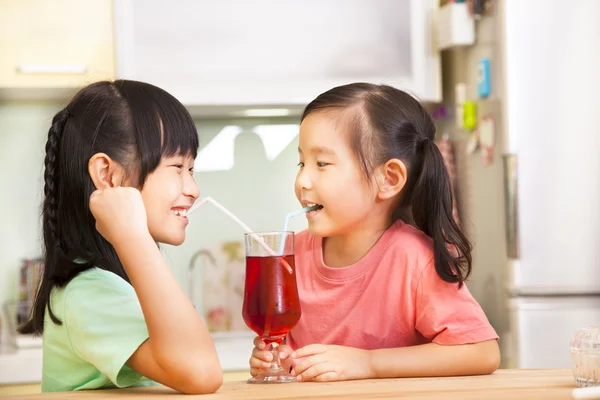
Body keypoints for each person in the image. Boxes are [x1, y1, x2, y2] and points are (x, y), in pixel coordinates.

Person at [249, 83, 500, 382]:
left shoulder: (414, 259)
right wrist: (278, 359)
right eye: (302, 162)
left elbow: (481, 351)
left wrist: (368, 364)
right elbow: (293, 353)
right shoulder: (292, 255)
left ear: (389, 179)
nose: (302, 179)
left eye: (322, 163)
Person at [19, 80, 222, 393]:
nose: (193, 189)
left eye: (191, 169)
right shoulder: (89, 292)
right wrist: (133, 236)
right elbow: (201, 373)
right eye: (177, 166)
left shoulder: (112, 283)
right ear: (107, 175)